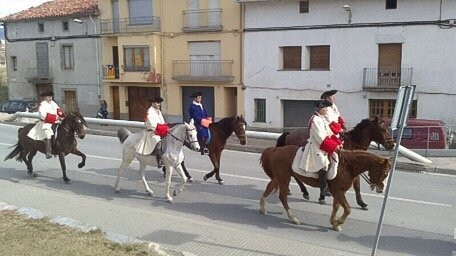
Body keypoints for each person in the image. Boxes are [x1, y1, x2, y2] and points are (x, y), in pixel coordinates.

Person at [298, 99, 343, 204]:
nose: (327, 110)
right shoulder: (315, 120)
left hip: (323, 145)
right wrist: (334, 147)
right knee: (324, 164)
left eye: (326, 108)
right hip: (316, 146)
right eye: (325, 108)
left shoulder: (321, 119)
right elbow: (320, 138)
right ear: (320, 109)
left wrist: (337, 142)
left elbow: (329, 133)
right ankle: (323, 188)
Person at [27, 91, 65, 159]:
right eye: (48, 97)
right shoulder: (42, 105)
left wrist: (61, 115)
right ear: (45, 97)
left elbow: (58, 110)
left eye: (51, 97)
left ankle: (58, 148)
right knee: (48, 135)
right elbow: (43, 115)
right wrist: (54, 117)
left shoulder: (53, 103)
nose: (50, 98)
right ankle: (48, 152)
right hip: (46, 123)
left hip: (56, 121)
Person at [136, 96, 169, 168]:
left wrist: (165, 127)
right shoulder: (150, 112)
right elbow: (152, 125)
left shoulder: (158, 111)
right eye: (157, 103)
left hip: (160, 131)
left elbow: (162, 121)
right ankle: (159, 160)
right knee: (158, 141)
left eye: (159, 103)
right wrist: (161, 128)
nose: (159, 104)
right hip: (152, 132)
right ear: (153, 103)